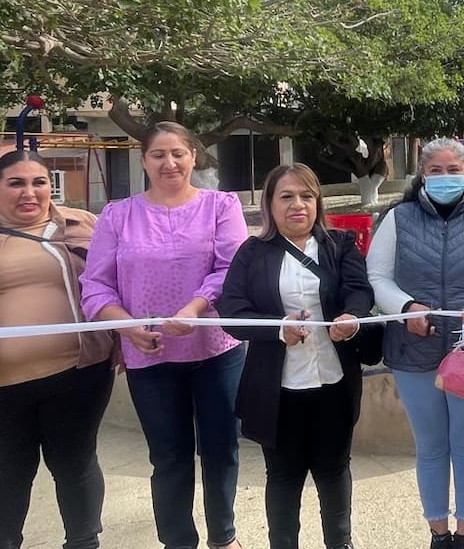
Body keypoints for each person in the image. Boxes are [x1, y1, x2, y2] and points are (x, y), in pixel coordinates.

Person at [81, 122, 248, 549]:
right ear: (144, 160)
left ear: (194, 156)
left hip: (216, 350)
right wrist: (126, 326)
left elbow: (233, 270)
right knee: (169, 457)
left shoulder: (220, 206)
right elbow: (96, 285)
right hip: (148, 356)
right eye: (158, 154)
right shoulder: (117, 215)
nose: (169, 162)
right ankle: (177, 541)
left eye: (178, 153)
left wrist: (194, 309)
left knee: (221, 450)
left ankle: (224, 537)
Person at [366, 138, 464, 549]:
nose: (446, 177)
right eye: (436, 170)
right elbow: (377, 277)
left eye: (454, 170)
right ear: (422, 175)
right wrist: (406, 307)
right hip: (413, 351)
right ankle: (437, 532)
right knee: (430, 445)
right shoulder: (397, 219)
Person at [216, 164, 375, 549]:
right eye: (286, 196)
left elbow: (360, 290)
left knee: (335, 472)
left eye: (306, 195)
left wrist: (352, 318)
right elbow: (231, 314)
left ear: (318, 201)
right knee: (283, 478)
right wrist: (276, 328)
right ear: (270, 204)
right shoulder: (252, 254)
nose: (297, 204)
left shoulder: (340, 245)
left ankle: (341, 543)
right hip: (278, 389)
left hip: (334, 382)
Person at [0, 150, 115, 549]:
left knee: (75, 464)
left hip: (79, 373)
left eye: (39, 182)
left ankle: (84, 543)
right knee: (9, 472)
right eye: (16, 183)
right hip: (5, 388)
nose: (29, 192)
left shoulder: (83, 224)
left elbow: (120, 275)